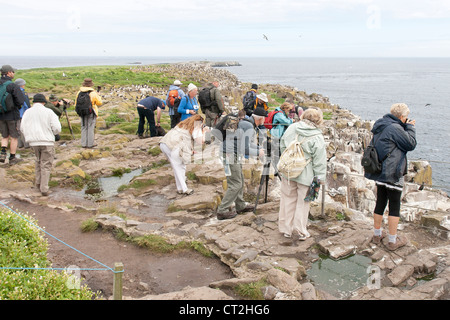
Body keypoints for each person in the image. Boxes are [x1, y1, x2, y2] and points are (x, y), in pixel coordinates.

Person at [365, 103, 416, 251]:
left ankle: (377, 234)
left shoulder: (381, 125)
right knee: (394, 206)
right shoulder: (395, 128)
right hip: (393, 172)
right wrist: (411, 127)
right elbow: (410, 144)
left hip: (379, 170)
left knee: (380, 201)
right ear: (401, 117)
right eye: (405, 117)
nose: (406, 119)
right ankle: (393, 241)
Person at [278, 108, 327, 240]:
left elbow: (283, 145)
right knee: (303, 202)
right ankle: (300, 230)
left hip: (289, 170)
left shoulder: (292, 128)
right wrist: (319, 179)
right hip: (306, 173)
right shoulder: (317, 136)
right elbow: (319, 161)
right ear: (318, 120)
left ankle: (286, 229)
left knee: (287, 199)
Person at [214, 107, 267, 220]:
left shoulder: (246, 123)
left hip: (229, 153)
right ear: (261, 118)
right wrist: (258, 152)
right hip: (230, 155)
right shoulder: (249, 126)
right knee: (236, 183)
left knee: (240, 180)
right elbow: (245, 149)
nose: (265, 121)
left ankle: (240, 205)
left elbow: (245, 144)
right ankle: (222, 210)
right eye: (264, 119)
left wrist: (259, 148)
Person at [20, 94, 61, 196]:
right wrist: (53, 134)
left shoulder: (27, 112)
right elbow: (57, 128)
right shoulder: (48, 112)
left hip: (33, 141)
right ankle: (44, 189)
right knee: (46, 164)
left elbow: (22, 128)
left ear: (34, 102)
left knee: (38, 161)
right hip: (46, 141)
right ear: (44, 102)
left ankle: (38, 184)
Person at [159, 114, 209, 195]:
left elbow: (187, 140)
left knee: (177, 166)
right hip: (173, 146)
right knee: (180, 167)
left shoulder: (183, 124)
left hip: (165, 143)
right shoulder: (196, 127)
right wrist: (204, 131)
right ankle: (184, 189)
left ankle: (180, 188)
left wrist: (191, 151)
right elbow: (200, 141)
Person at [0, 65, 26, 165]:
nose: (14, 74)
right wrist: (17, 107)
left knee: (5, 136)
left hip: (1, 115)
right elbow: (20, 100)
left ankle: (2, 153)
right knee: (14, 137)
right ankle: (12, 157)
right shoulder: (12, 85)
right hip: (12, 115)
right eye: (13, 72)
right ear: (9, 73)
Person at [75, 78, 102, 148]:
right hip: (91, 112)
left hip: (82, 112)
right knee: (90, 127)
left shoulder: (79, 92)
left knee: (83, 127)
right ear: (91, 85)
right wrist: (98, 95)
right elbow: (99, 103)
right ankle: (90, 144)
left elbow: (76, 104)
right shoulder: (93, 93)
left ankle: (83, 144)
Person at [270, 102, 293, 171]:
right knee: (277, 151)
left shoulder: (282, 114)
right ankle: (276, 167)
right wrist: (292, 120)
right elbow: (287, 122)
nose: (289, 112)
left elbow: (288, 120)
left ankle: (278, 166)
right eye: (288, 110)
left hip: (280, 135)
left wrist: (290, 120)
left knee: (280, 150)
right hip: (276, 135)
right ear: (285, 108)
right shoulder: (279, 114)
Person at [15, 78, 31, 149]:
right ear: (22, 85)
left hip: (15, 113)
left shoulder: (12, 92)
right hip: (23, 113)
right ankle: (26, 144)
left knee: (17, 129)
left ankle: (20, 144)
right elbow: (26, 104)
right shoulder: (23, 93)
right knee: (24, 129)